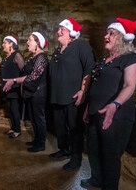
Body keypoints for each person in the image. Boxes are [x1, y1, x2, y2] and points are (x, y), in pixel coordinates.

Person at [80, 18, 136, 190]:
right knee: (93, 149)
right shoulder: (104, 60)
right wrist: (88, 108)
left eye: (111, 33)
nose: (105, 36)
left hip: (117, 117)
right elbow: (96, 85)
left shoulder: (131, 59)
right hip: (95, 113)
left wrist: (114, 104)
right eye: (106, 33)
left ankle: (109, 187)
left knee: (110, 155)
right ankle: (96, 179)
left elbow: (129, 86)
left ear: (123, 38)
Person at [49, 18, 95, 171]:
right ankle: (63, 150)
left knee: (75, 129)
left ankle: (76, 158)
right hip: (57, 97)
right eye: (59, 28)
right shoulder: (57, 51)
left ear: (72, 33)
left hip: (73, 97)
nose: (58, 31)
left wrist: (83, 90)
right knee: (60, 126)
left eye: (63, 29)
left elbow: (89, 69)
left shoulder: (81, 46)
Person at [3, 32, 48, 152]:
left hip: (39, 94)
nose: (27, 42)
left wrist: (14, 80)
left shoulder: (41, 57)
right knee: (33, 118)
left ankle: (41, 144)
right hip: (32, 93)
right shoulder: (34, 57)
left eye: (30, 40)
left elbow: (33, 76)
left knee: (39, 118)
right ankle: (37, 140)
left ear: (37, 42)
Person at [0, 36, 24, 138]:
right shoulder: (6, 58)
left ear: (11, 44)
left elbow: (23, 70)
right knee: (9, 108)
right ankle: (13, 128)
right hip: (6, 88)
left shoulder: (17, 55)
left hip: (14, 87)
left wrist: (18, 82)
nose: (3, 45)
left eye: (5, 43)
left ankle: (17, 130)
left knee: (14, 109)